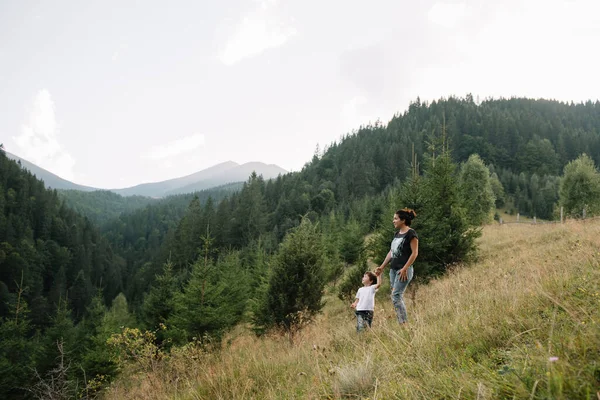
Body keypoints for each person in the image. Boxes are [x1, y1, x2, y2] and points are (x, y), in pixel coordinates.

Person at [375, 208, 419, 324]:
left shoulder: (411, 234)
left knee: (396, 296)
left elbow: (415, 253)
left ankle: (403, 323)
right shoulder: (397, 234)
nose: (393, 221)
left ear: (403, 220)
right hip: (393, 270)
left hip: (403, 270)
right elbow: (392, 251)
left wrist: (405, 268)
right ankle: (402, 321)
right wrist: (382, 266)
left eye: (395, 219)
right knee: (395, 296)